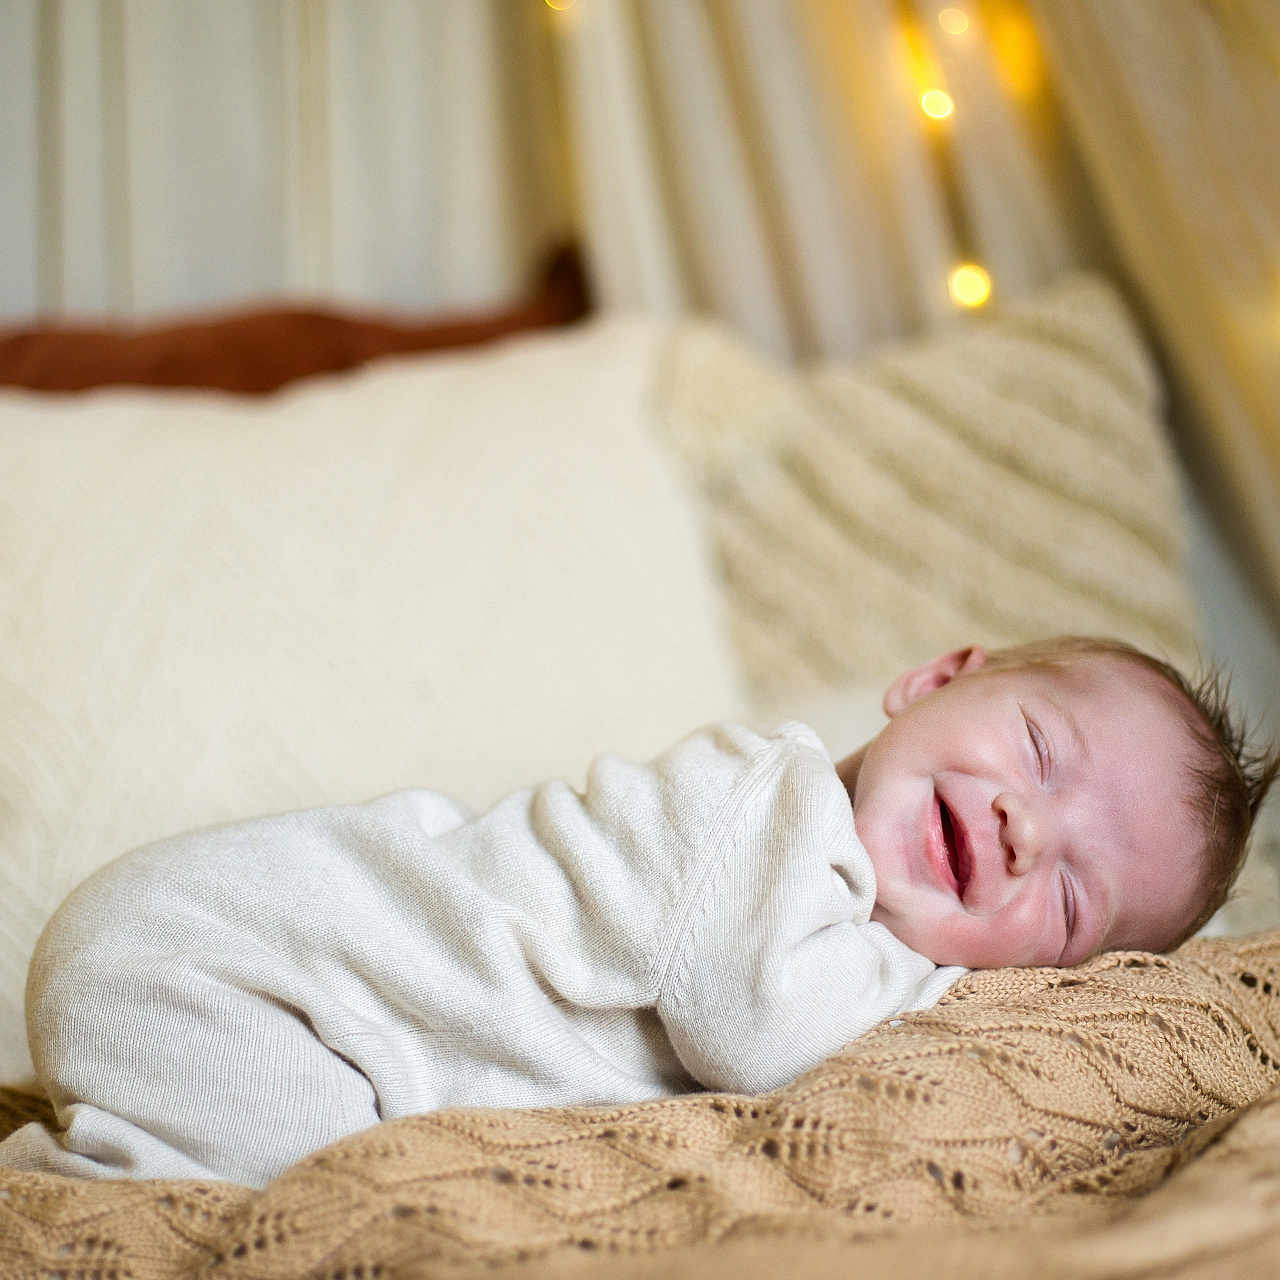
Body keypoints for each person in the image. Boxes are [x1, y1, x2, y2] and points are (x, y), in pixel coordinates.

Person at [2, 635, 1275, 1188]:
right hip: (234, 961)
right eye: (1037, 750)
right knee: (261, 1193)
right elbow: (755, 1030)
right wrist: (944, 987)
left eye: (1064, 897)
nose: (1019, 827)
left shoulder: (840, 919)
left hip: (290, 1005)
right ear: (935, 678)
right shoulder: (763, 809)